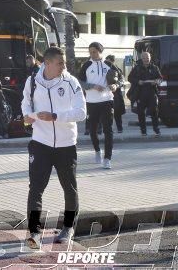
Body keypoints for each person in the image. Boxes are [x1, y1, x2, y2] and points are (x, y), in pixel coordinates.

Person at [21, 47, 86, 249]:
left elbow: (82, 112)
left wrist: (55, 116)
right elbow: (25, 105)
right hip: (40, 143)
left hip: (66, 144)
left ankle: (68, 227)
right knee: (36, 188)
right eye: (60, 63)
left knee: (69, 187)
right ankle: (34, 232)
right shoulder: (32, 81)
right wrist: (28, 117)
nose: (63, 67)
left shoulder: (71, 82)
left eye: (64, 63)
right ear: (46, 63)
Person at [78, 42, 123, 169]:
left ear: (100, 51)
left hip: (107, 101)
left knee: (108, 130)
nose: (92, 54)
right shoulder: (86, 65)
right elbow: (80, 82)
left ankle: (107, 158)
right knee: (92, 130)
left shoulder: (109, 65)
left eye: (94, 51)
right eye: (90, 52)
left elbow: (120, 79)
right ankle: (97, 151)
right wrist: (92, 86)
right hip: (91, 102)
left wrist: (115, 85)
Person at [128, 52, 162, 136]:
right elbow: (129, 78)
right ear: (142, 59)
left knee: (154, 112)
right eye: (144, 58)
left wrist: (157, 81)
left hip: (152, 93)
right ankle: (143, 130)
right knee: (141, 113)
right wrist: (137, 81)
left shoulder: (154, 67)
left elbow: (160, 78)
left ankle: (156, 129)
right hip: (140, 93)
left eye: (148, 58)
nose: (146, 59)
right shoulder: (137, 68)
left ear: (150, 58)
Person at [105, 55, 125, 133]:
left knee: (117, 112)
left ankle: (119, 128)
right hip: (106, 94)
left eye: (107, 61)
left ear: (111, 61)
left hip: (116, 94)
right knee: (108, 113)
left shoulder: (117, 69)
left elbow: (122, 80)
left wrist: (116, 85)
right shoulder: (103, 69)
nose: (106, 62)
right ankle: (109, 129)